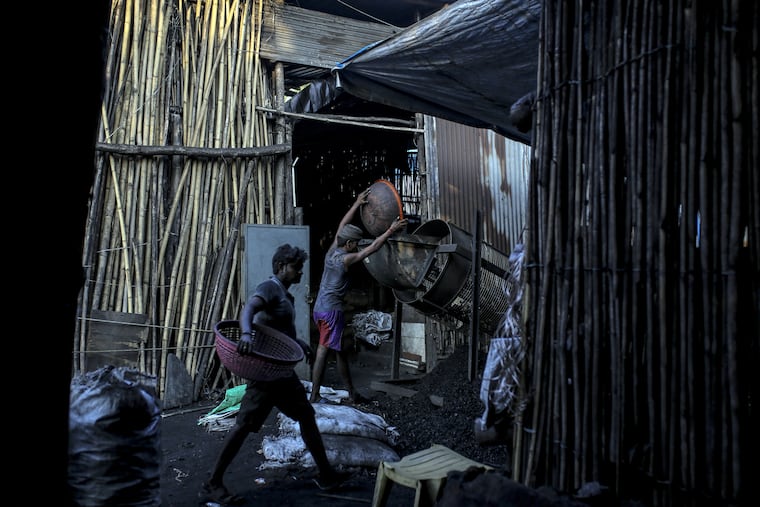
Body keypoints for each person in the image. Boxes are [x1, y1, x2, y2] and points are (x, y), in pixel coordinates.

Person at [199, 244, 351, 505]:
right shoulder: (270, 288)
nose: (300, 273)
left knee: (306, 415)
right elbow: (249, 310)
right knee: (243, 426)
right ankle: (213, 482)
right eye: (296, 268)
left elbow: (278, 330)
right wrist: (246, 334)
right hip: (266, 375)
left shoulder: (284, 295)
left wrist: (299, 343)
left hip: (281, 373)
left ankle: (326, 474)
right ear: (281, 267)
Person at [310, 188, 409, 404]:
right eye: (355, 243)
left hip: (319, 309)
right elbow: (371, 248)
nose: (357, 245)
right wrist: (390, 230)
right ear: (349, 244)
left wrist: (357, 204)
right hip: (331, 312)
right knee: (323, 351)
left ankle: (352, 393)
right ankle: (315, 394)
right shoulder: (345, 259)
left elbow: (340, 226)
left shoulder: (332, 251)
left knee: (340, 351)